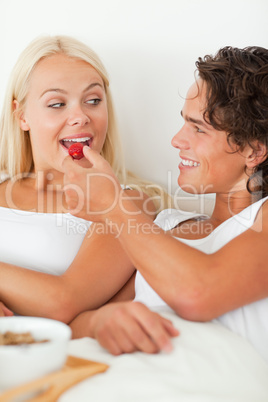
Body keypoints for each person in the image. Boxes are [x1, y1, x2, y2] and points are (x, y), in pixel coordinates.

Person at [62, 46, 268, 362]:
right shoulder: (164, 226)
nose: (176, 140)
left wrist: (115, 205)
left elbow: (198, 294)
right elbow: (76, 325)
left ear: (254, 151)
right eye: (184, 122)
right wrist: (99, 322)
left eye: (199, 128)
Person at [0, 35, 171, 323]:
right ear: (21, 115)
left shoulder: (126, 203)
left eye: (93, 100)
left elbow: (63, 302)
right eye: (57, 104)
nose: (80, 117)